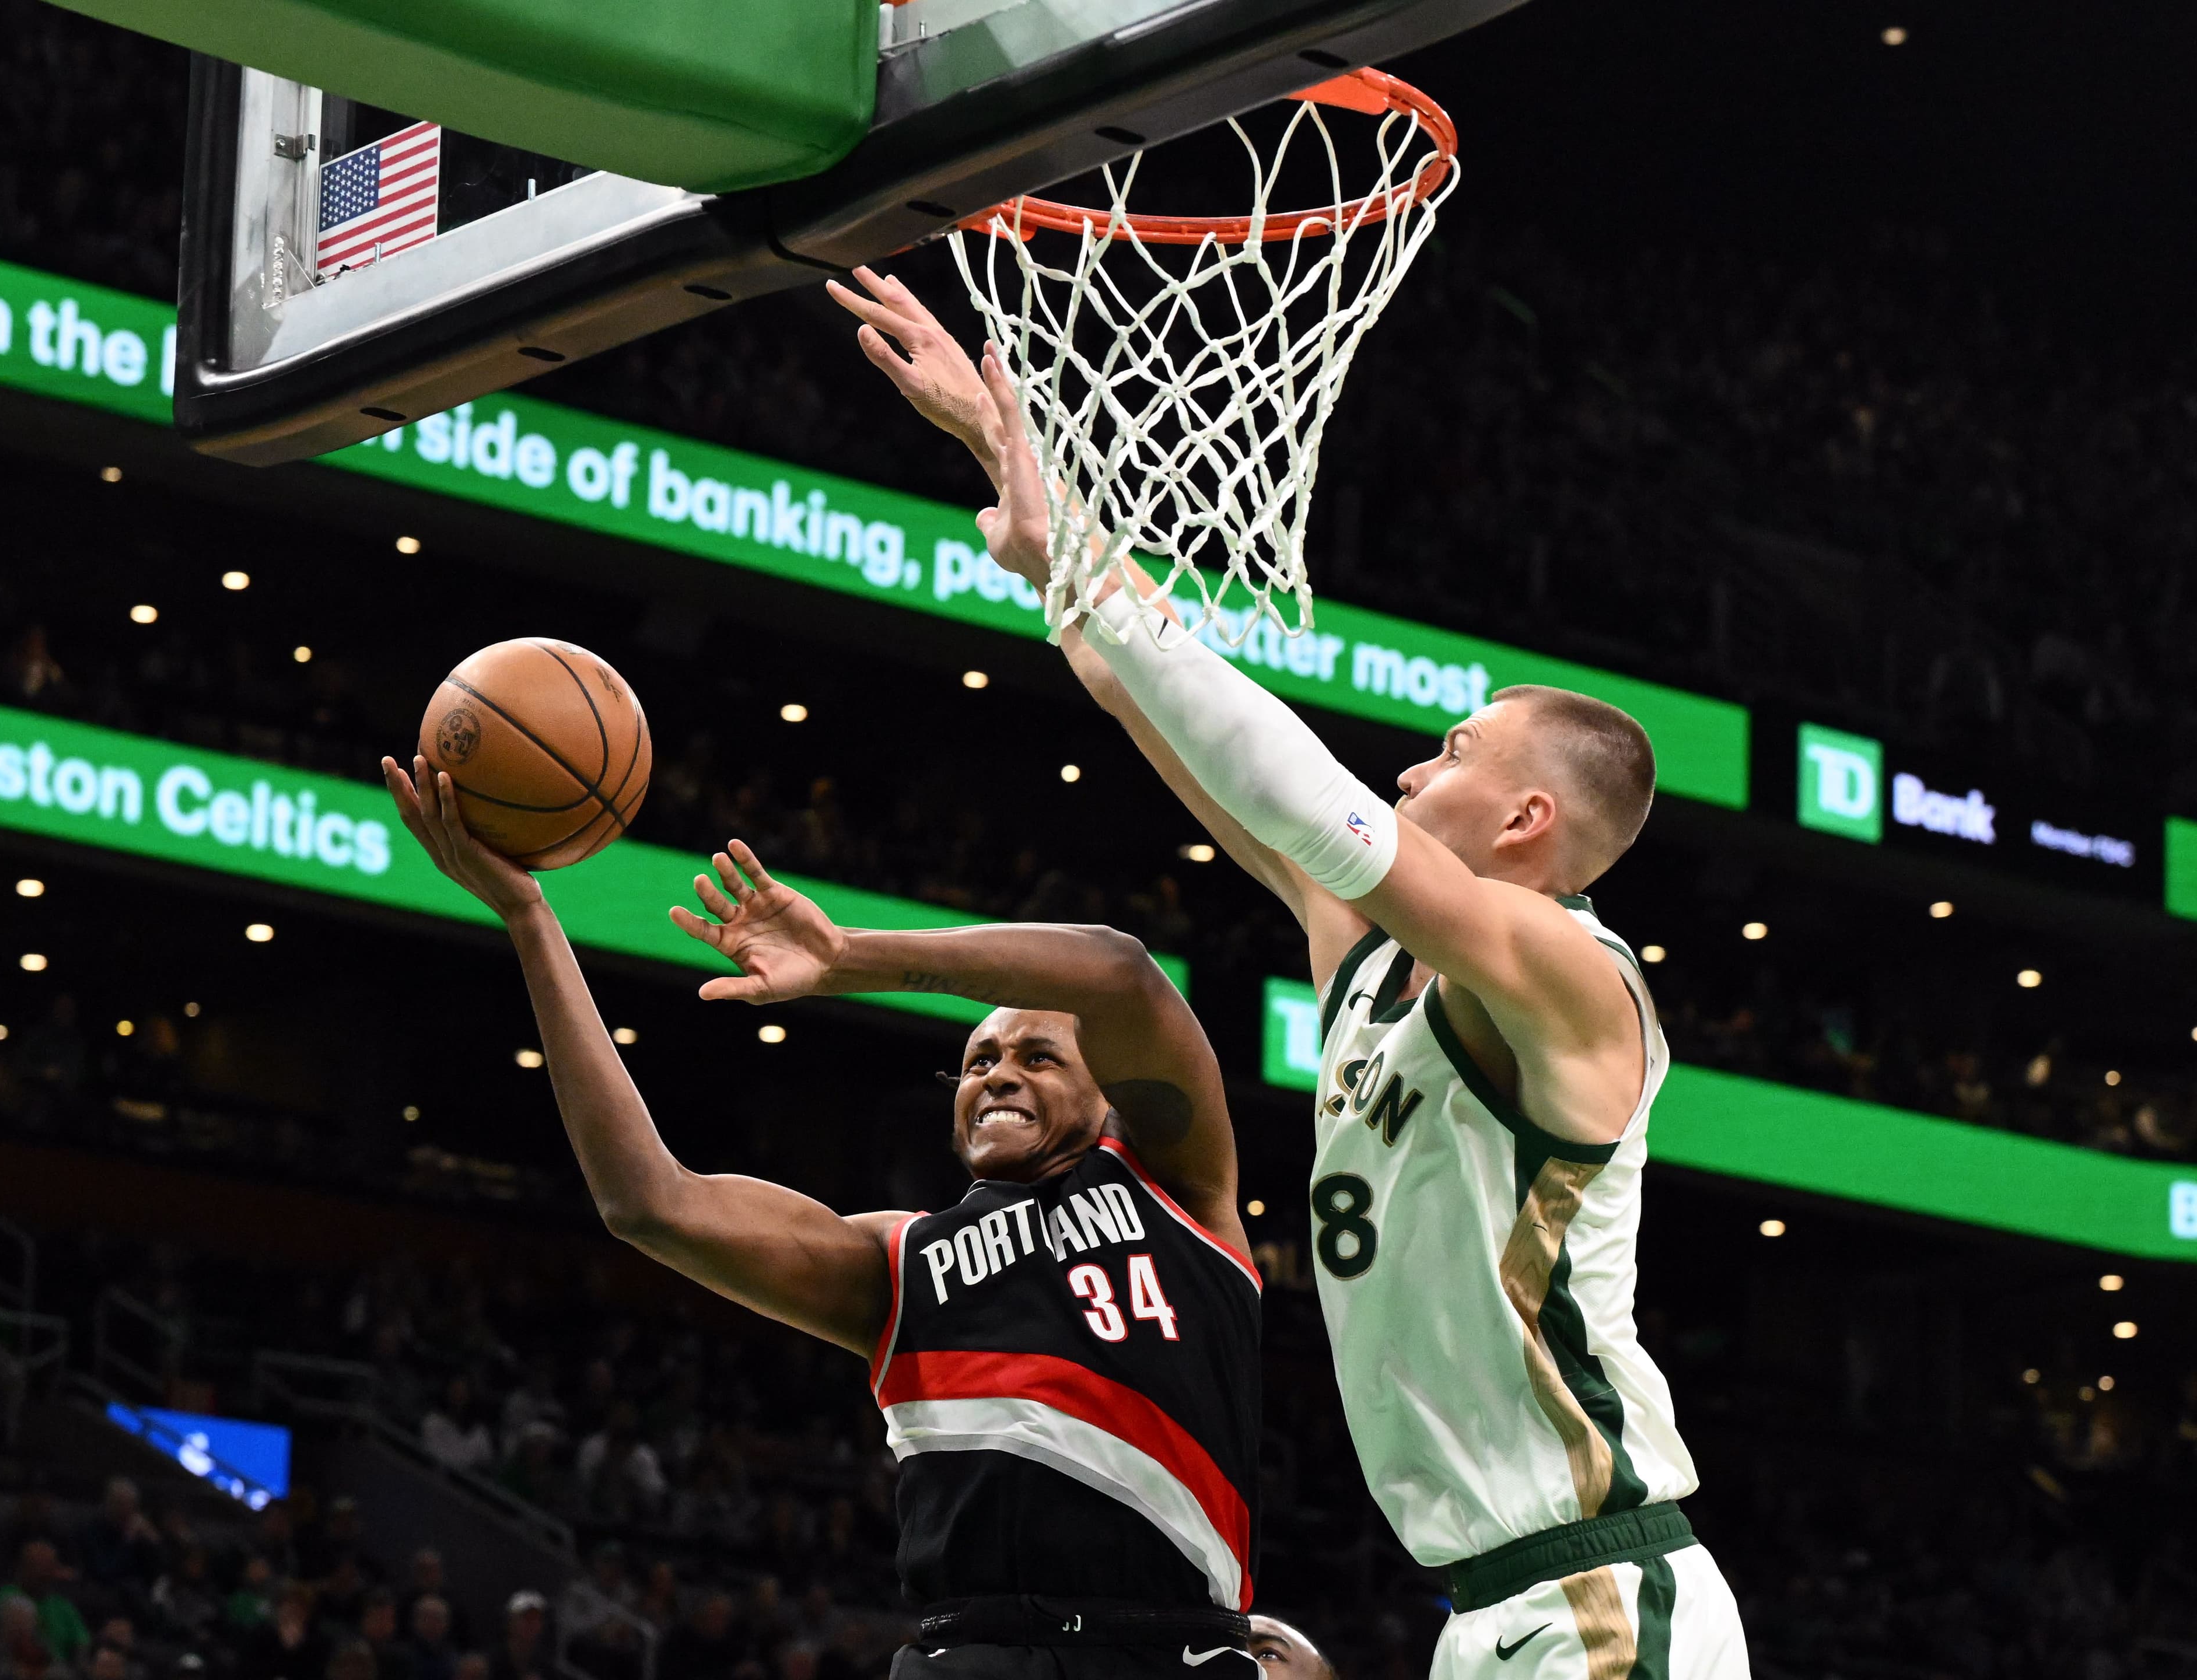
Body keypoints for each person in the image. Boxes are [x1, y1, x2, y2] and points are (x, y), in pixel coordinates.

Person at [834, 271, 1750, 1680]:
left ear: (1528, 825)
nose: (1410, 765)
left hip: (1606, 1596)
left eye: (1450, 752)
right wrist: (1022, 493)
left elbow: (1308, 795)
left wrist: (1074, 545)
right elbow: (1177, 721)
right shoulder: (1377, 968)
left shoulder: (1576, 978)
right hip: (1485, 1605)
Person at [381, 762, 1263, 1680]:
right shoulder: (902, 1260)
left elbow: (1123, 973)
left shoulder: (1174, 1185)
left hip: (1168, 1653)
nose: (997, 1074)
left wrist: (848, 958)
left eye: (1039, 1055)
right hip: (963, 1655)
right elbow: (649, 1202)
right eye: (977, 1061)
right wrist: (532, 923)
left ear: (1110, 1093)